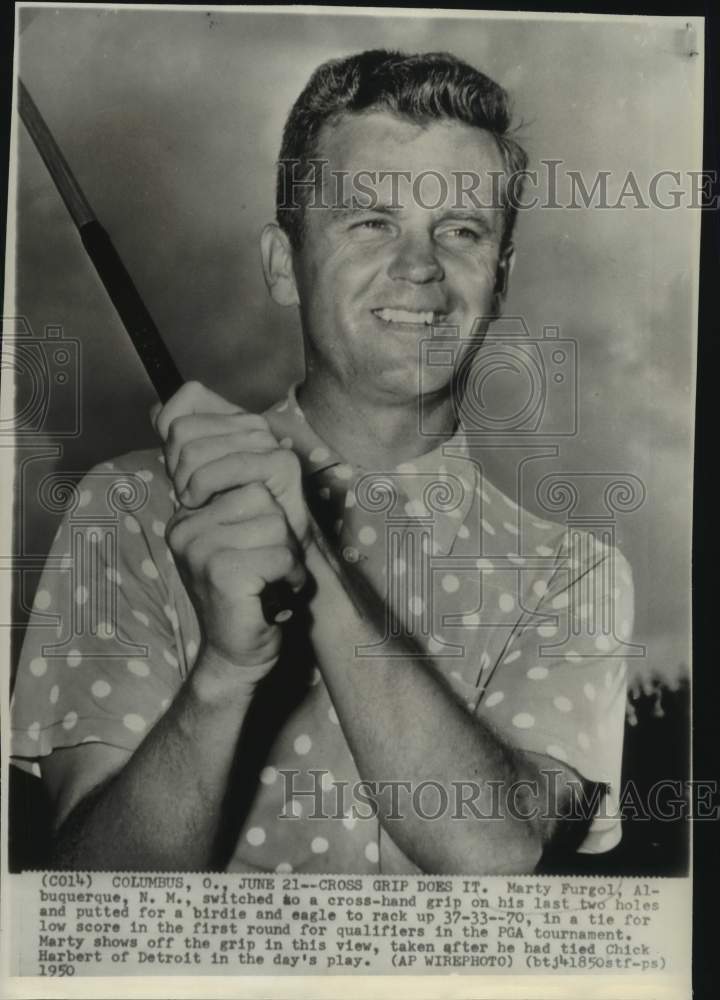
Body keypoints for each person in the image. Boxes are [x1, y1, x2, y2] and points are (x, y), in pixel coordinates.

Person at [11, 49, 633, 874]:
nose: (419, 268)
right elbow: (86, 910)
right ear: (282, 264)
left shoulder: (578, 576)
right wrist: (225, 675)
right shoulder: (126, 509)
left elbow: (495, 851)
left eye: (462, 231)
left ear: (502, 279)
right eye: (371, 221)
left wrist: (306, 549)